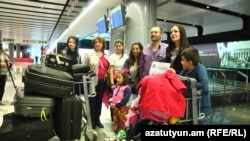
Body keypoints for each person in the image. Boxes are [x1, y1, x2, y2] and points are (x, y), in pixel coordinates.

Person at [179, 47, 211, 125]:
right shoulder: (185, 70)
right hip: (189, 109)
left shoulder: (200, 69)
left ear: (190, 62)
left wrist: (188, 83)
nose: (181, 62)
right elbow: (179, 80)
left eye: (183, 60)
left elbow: (204, 85)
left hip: (201, 110)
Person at [83, 36, 109, 129]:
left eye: (99, 42)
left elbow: (108, 68)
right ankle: (92, 120)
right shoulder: (88, 54)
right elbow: (84, 67)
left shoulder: (106, 56)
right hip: (91, 81)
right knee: (92, 102)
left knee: (99, 101)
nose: (97, 44)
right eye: (95, 42)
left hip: (103, 81)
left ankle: (97, 119)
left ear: (103, 44)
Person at [108, 39, 128, 121]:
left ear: (122, 47)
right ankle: (114, 118)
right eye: (117, 46)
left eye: (120, 46)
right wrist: (112, 83)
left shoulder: (126, 56)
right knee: (113, 99)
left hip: (123, 80)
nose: (118, 47)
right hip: (115, 79)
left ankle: (122, 117)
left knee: (122, 99)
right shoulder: (112, 57)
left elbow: (127, 69)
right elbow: (111, 71)